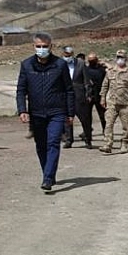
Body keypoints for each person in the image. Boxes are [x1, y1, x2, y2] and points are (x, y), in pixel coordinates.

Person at [15, 32, 74, 191]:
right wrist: (22, 110)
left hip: (57, 112)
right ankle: (48, 173)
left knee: (53, 142)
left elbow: (69, 90)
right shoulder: (26, 65)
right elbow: (21, 90)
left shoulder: (60, 65)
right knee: (41, 145)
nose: (42, 49)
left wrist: (70, 113)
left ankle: (47, 178)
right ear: (33, 47)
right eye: (39, 46)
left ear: (51, 47)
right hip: (36, 113)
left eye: (45, 46)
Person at [99, 49, 128, 154]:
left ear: (126, 59)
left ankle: (124, 143)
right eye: (118, 57)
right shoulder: (110, 72)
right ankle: (107, 144)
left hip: (125, 104)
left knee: (127, 126)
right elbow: (104, 86)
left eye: (122, 58)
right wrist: (102, 98)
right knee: (108, 124)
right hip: (112, 103)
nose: (120, 60)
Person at [61, 46, 93, 149]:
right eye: (66, 55)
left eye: (69, 55)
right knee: (67, 119)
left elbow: (86, 81)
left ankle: (88, 139)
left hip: (79, 95)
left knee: (85, 119)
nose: (67, 57)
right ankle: (69, 140)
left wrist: (88, 94)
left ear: (72, 54)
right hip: (66, 96)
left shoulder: (80, 63)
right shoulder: (60, 64)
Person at [85, 52, 107, 136]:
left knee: (103, 115)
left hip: (100, 95)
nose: (92, 62)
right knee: (87, 116)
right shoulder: (86, 70)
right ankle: (88, 132)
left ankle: (105, 131)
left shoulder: (101, 70)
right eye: (90, 60)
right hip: (90, 96)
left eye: (93, 60)